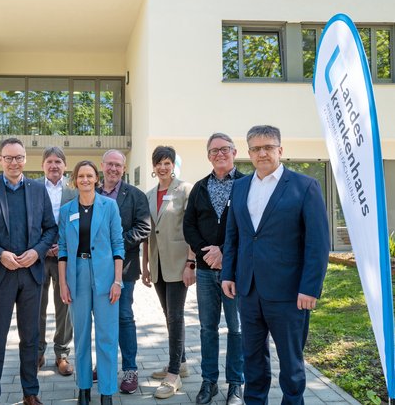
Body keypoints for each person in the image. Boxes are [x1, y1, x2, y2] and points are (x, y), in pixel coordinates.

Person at [221, 125, 330, 405]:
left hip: (289, 293)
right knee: (253, 360)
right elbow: (234, 235)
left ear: (280, 150)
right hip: (248, 290)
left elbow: (317, 244)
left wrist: (310, 288)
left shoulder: (304, 186)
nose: (262, 153)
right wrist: (228, 274)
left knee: (291, 365)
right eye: (256, 148)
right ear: (248, 153)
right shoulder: (240, 186)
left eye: (268, 147)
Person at [0, 137, 58, 405]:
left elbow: (50, 229)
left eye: (18, 157)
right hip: (0, 275)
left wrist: (38, 251)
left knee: (30, 338)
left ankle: (30, 393)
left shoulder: (36, 189)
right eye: (8, 158)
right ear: (0, 160)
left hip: (32, 275)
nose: (14, 162)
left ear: (25, 159)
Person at [183, 133, 245, 405]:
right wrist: (206, 254)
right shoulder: (199, 187)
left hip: (237, 270)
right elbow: (189, 226)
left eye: (224, 149)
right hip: (207, 271)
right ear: (208, 156)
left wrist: (225, 252)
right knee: (208, 328)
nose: (219, 154)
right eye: (214, 151)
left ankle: (236, 384)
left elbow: (252, 226)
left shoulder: (248, 184)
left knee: (236, 328)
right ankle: (209, 382)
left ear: (234, 152)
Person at [58, 160, 125, 405]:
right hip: (77, 275)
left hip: (106, 276)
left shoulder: (109, 206)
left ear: (96, 179)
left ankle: (106, 391)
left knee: (107, 336)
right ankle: (84, 388)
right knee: (82, 335)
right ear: (75, 180)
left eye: (89, 176)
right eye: (80, 176)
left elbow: (118, 244)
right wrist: (63, 283)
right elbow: (63, 249)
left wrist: (118, 281)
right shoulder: (66, 210)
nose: (85, 180)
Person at [141, 145, 194, 399]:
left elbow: (192, 228)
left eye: (167, 163)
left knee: (175, 316)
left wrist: (191, 263)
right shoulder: (150, 194)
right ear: (153, 166)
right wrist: (145, 265)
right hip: (158, 263)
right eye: (158, 163)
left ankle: (174, 375)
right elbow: (147, 233)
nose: (163, 167)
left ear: (173, 165)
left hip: (179, 262)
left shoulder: (185, 189)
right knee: (167, 313)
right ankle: (181, 362)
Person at [98, 149, 151, 394]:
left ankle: (130, 369)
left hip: (125, 269)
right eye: (109, 164)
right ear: (102, 165)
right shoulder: (92, 193)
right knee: (100, 317)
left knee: (123, 316)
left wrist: (115, 244)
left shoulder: (136, 196)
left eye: (118, 165)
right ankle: (105, 364)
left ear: (124, 167)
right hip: (96, 269)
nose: (113, 169)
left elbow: (143, 228)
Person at [35, 147, 77, 376]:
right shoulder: (32, 188)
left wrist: (63, 246)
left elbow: (78, 223)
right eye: (50, 161)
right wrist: (42, 247)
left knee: (64, 307)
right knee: (36, 308)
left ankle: (62, 354)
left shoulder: (73, 191)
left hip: (65, 256)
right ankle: (38, 352)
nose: (54, 165)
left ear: (64, 165)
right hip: (39, 258)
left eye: (58, 161)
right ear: (43, 165)